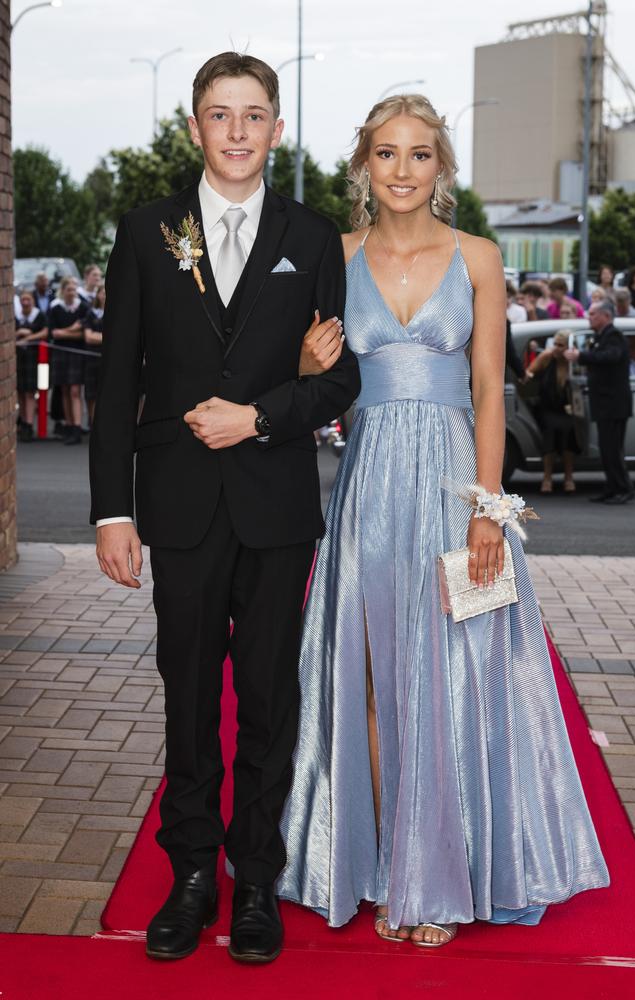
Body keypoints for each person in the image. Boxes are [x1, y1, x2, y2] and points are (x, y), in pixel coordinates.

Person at [278, 94, 608, 947]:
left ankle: (449, 873)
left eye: (419, 154)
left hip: (457, 489)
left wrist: (490, 509)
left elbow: (492, 389)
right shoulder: (334, 255)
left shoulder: (480, 258)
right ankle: (394, 869)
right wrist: (305, 361)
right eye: (385, 154)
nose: (401, 170)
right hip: (368, 487)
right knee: (380, 686)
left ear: (442, 168)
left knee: (458, 681)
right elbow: (313, 387)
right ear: (363, 165)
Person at [89, 51, 360, 966]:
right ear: (194, 126)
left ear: (276, 129)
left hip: (277, 506)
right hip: (179, 507)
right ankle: (191, 874)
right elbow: (118, 373)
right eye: (219, 114)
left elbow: (340, 378)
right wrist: (110, 512)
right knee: (191, 697)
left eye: (254, 115)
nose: (237, 132)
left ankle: (257, 882)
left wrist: (263, 416)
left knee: (271, 700)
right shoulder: (145, 230)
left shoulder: (314, 236)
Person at [565, 299, 635, 504]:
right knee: (606, 450)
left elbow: (609, 357)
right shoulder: (600, 337)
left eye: (593, 314)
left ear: (606, 315)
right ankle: (612, 487)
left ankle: (624, 489)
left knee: (613, 449)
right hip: (606, 404)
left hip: (614, 404)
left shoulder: (613, 336)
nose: (590, 317)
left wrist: (581, 356)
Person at [525, 331, 578, 493]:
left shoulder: (572, 361)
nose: (556, 348)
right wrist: (527, 376)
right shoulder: (547, 357)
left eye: (560, 345)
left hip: (568, 408)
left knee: (570, 431)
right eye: (555, 344)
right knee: (551, 430)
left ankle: (569, 477)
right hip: (547, 407)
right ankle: (547, 477)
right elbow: (529, 374)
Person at [49, 277, 89, 445]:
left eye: (74, 289)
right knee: (64, 390)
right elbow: (53, 333)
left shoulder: (83, 306)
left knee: (75, 391)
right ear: (63, 291)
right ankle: (69, 425)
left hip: (77, 353)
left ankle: (77, 427)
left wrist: (64, 333)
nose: (72, 292)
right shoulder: (56, 308)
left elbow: (83, 333)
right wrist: (72, 330)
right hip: (60, 352)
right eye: (69, 290)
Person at [15, 290, 47, 441]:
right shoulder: (17, 316)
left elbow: (45, 332)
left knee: (30, 392)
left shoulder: (39, 315)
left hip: (35, 359)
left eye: (28, 299)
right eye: (23, 299)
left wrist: (27, 336)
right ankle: (23, 421)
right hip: (19, 359)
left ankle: (29, 423)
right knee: (20, 392)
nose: (25, 302)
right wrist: (19, 333)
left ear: (32, 301)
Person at [83, 284, 105, 425]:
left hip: (108, 359)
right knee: (91, 394)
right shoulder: (91, 313)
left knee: (106, 393)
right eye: (102, 293)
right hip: (91, 358)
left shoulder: (117, 311)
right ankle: (92, 422)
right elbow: (88, 337)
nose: (105, 295)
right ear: (98, 295)